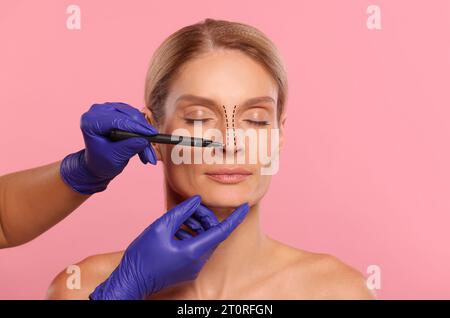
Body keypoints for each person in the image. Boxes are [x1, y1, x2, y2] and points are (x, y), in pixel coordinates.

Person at [47, 18, 376, 300]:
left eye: (257, 119)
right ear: (151, 134)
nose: (230, 143)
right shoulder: (82, 285)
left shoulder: (337, 290)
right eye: (199, 117)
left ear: (278, 136)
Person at [0, 102, 158, 249]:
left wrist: (84, 172)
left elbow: (3, 224)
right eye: (185, 118)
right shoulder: (87, 276)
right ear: (155, 133)